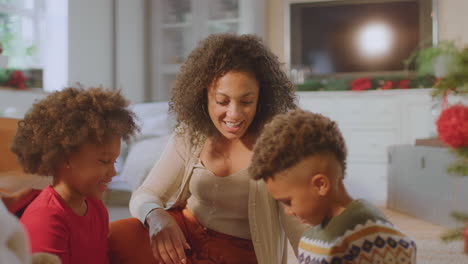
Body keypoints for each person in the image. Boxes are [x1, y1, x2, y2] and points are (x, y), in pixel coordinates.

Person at [108, 34, 306, 264]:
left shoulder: (277, 146)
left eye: (246, 101)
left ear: (261, 99)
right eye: (222, 101)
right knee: (113, 238)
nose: (234, 114)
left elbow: (299, 225)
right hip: (183, 234)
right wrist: (156, 216)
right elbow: (146, 194)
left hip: (238, 253)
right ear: (203, 96)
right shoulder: (192, 135)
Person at [248, 109, 417, 263]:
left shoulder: (374, 237)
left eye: (288, 201)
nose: (288, 211)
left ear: (321, 185)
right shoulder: (311, 237)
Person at [11, 86, 139, 264]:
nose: (113, 172)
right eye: (103, 161)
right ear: (65, 158)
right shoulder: (47, 219)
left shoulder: (96, 208)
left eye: (114, 161)